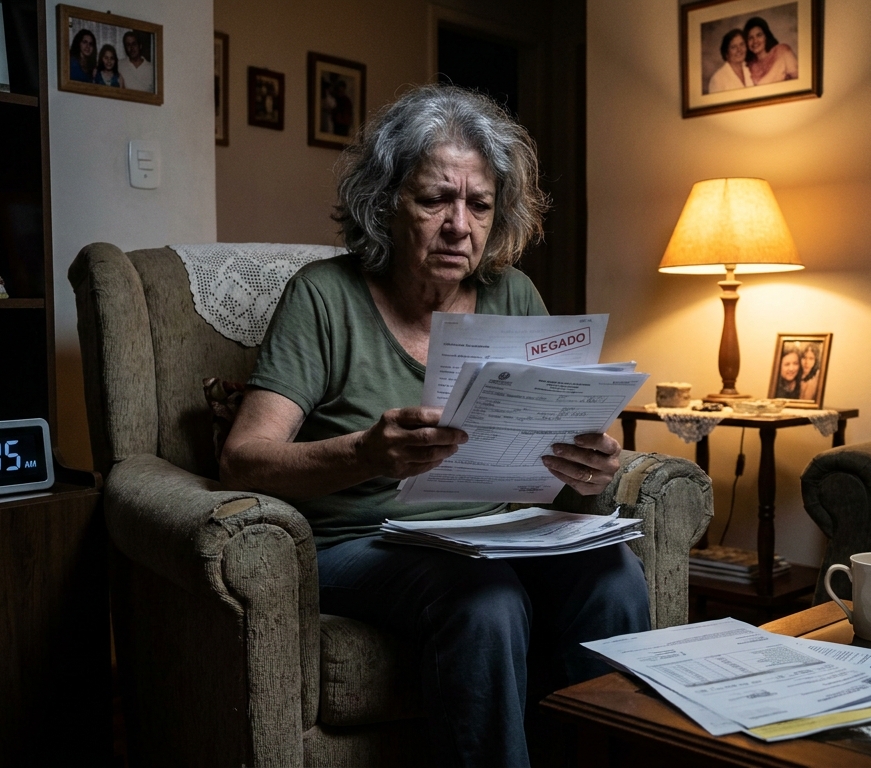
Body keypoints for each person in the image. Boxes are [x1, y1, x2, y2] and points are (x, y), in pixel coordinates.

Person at [220, 85, 649, 768]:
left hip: (492, 532)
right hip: (360, 542)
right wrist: (366, 451)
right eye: (433, 200)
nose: (459, 225)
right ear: (386, 200)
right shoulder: (325, 296)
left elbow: (559, 446)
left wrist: (590, 464)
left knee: (614, 576)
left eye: (479, 205)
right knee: (483, 598)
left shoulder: (514, 295)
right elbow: (244, 459)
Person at [745, 16, 798, 85]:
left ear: (766, 36)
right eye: (750, 38)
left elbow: (800, 82)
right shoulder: (747, 67)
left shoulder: (782, 51)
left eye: (759, 35)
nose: (755, 41)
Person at [707, 29, 754, 93]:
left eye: (742, 44)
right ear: (726, 52)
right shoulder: (717, 79)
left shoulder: (752, 68)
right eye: (733, 47)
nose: (739, 50)